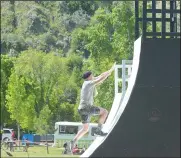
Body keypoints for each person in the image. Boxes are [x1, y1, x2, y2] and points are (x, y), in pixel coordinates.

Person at [66, 64, 115, 153]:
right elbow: (99, 80)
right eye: (92, 75)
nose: (93, 76)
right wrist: (107, 75)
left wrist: (108, 71)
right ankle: (98, 130)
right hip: (86, 108)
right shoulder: (88, 83)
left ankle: (73, 141)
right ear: (89, 76)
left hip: (81, 109)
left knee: (85, 129)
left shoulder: (87, 82)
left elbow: (99, 76)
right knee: (104, 112)